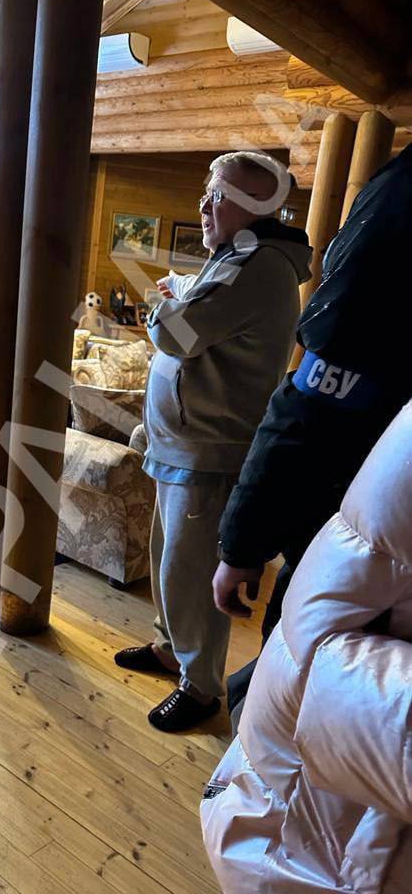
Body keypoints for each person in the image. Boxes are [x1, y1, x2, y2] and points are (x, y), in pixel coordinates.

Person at [213, 142, 412, 723]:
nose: (206, 206)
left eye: (218, 194)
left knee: (291, 704)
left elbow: (313, 405)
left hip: (367, 551)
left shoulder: (398, 196)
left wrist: (242, 544)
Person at [114, 151, 312, 732]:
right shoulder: (236, 256)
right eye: (207, 190)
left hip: (209, 449)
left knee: (192, 574)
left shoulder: (256, 265)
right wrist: (178, 289)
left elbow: (178, 335)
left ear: (251, 208)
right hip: (181, 445)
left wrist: (156, 303)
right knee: (168, 561)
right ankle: (168, 648)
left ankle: (200, 686)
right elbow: (198, 306)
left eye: (218, 194)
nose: (204, 203)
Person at [202, 401, 412, 893]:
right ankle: (193, 678)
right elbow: (298, 414)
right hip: (301, 828)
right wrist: (240, 544)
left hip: (340, 808)